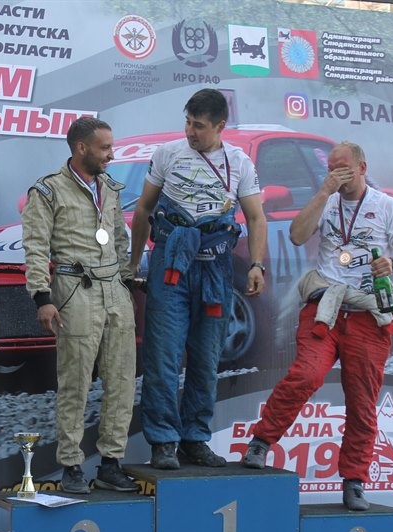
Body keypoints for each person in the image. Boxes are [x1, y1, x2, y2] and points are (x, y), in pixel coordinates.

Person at [241, 142, 393, 512]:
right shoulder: (325, 200)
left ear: (362, 168)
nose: (337, 173)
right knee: (306, 374)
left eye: (344, 168)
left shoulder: (387, 206)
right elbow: (296, 235)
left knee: (362, 401)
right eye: (332, 168)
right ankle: (260, 442)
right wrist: (324, 191)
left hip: (367, 314)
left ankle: (354, 481)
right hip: (325, 307)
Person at [130, 88, 268, 470]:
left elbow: (256, 217)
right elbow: (143, 208)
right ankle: (163, 441)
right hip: (171, 265)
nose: (191, 131)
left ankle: (195, 439)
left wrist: (256, 265)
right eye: (188, 122)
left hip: (215, 269)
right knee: (163, 357)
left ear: (220, 126)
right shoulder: (167, 154)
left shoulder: (239, 162)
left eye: (200, 126)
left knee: (207, 359)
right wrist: (134, 263)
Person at [22, 116, 138, 494]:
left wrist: (124, 280)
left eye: (111, 147)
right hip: (75, 288)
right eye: (105, 148)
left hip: (113, 288)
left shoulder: (111, 188)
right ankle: (71, 464)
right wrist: (42, 297)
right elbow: (35, 247)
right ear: (81, 147)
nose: (111, 154)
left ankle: (111, 463)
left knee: (122, 380)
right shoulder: (48, 190)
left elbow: (119, 238)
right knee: (75, 382)